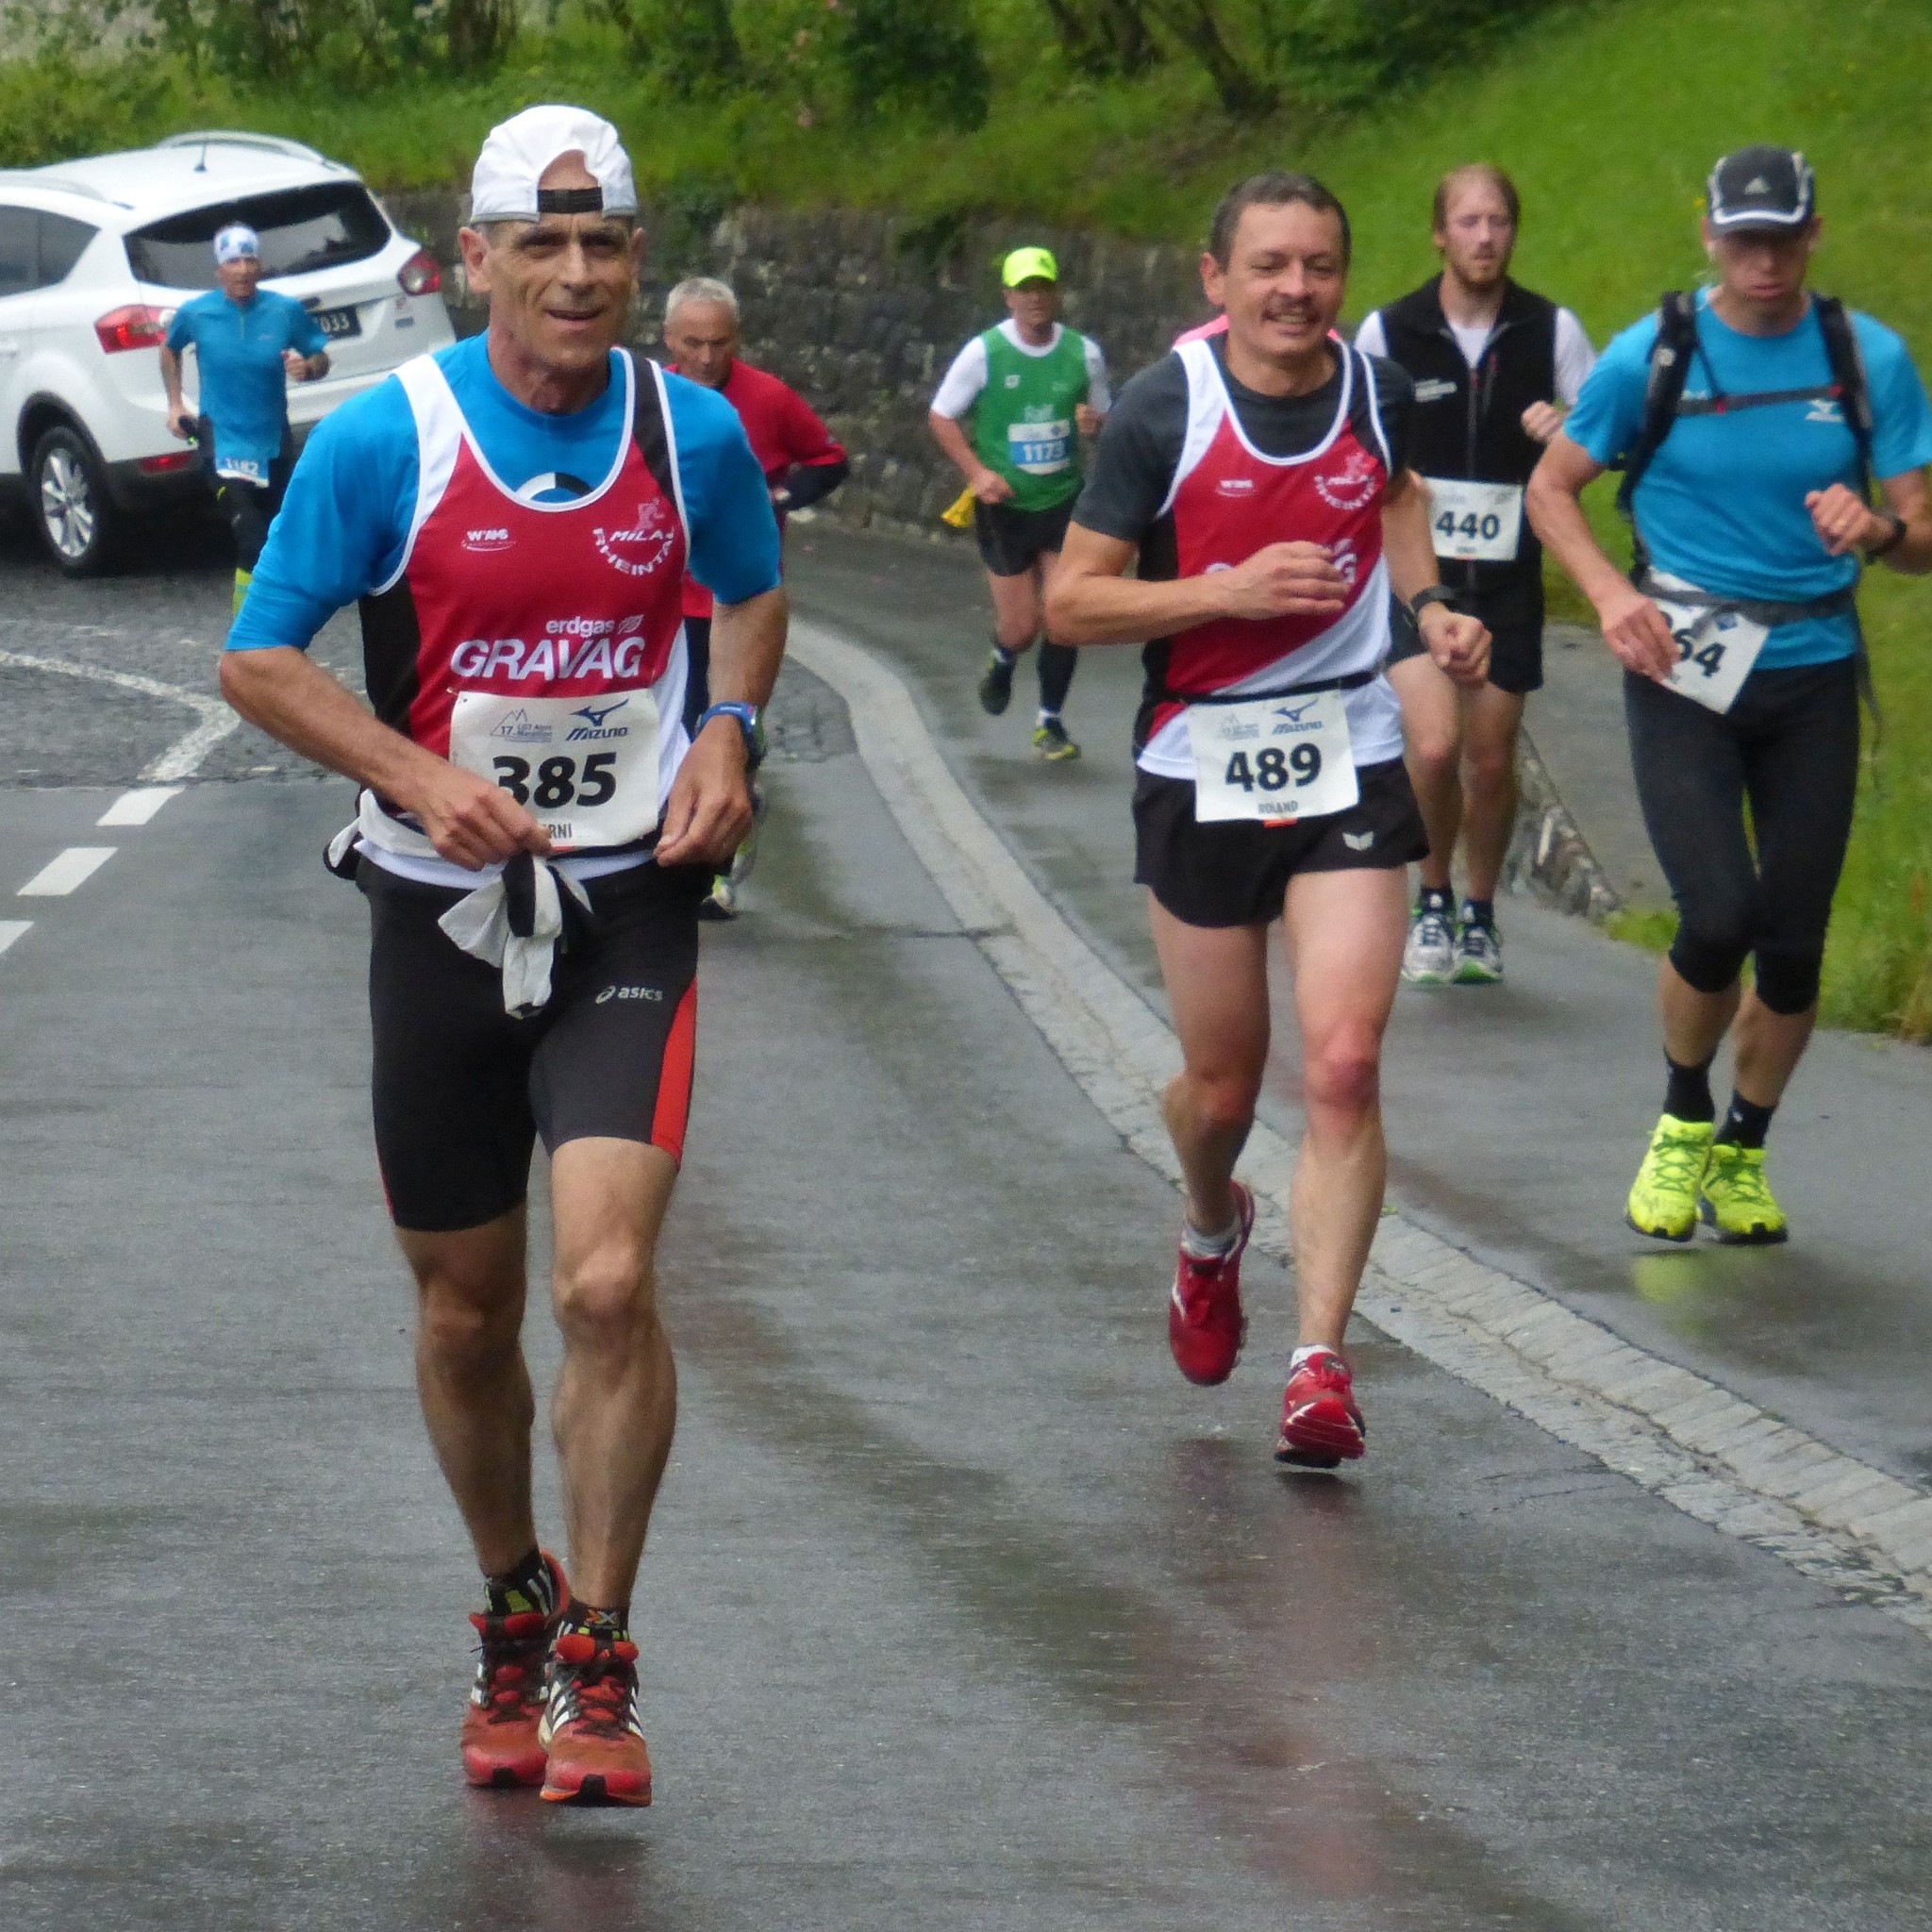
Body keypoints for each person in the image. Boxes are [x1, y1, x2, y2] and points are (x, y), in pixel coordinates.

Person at [219, 107, 787, 1805]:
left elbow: (751, 588)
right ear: (474, 260)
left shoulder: (690, 438)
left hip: (626, 900)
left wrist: (730, 731)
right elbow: (260, 660)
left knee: (605, 1280)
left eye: (603, 241)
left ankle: (599, 1663)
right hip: (438, 916)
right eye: (538, 245)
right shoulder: (386, 440)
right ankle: (512, 1599)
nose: (577, 273)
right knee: (466, 1311)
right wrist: (414, 771)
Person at [1048, 173, 1490, 1465]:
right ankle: (1207, 1227)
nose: (1296, 289)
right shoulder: (1161, 410)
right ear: (1217, 279)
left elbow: (1398, 498)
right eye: (1270, 267)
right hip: (1199, 760)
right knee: (1225, 1089)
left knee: (1343, 1063)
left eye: (1318, 266)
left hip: (1345, 748)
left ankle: (1320, 1366)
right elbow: (1075, 602)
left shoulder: (1372, 386)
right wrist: (1224, 591)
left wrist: (1431, 612)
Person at [1527, 146, 1932, 1244]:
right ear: (1708, 234)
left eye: (1783, 236)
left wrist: (1881, 530)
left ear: (1812, 234)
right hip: (1681, 663)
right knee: (1717, 914)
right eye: (1743, 237)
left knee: (1792, 943)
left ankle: (1742, 1150)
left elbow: (1921, 533)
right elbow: (1551, 486)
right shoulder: (1651, 353)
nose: (1763, 257)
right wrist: (1610, 595)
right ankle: (1680, 1113)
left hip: (1808, 673)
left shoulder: (1862, 357)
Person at [1357, 165, 1595, 984]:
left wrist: (1564, 428)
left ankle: (1482, 913)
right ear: (1440, 234)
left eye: (1498, 222)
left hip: (1506, 577)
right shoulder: (1390, 332)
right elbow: (1354, 440)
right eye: (1468, 222)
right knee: (1434, 746)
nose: (1484, 237)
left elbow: (1605, 436)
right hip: (1417, 576)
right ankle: (1432, 899)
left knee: (1489, 760)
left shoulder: (1550, 329)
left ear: (1513, 234)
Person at [662, 274, 848, 918]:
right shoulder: (644, 403)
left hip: (739, 602)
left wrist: (780, 498)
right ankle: (688, 843)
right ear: (669, 341)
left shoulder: (767, 398)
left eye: (719, 342)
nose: (708, 357)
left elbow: (829, 460)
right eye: (693, 343)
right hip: (665, 602)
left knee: (717, 726)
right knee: (675, 730)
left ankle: (714, 869)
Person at [929, 246, 1109, 761]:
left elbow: (1108, 419)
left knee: (1066, 616)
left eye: (1042, 288)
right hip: (1005, 508)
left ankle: (1049, 722)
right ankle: (1003, 659)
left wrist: (1097, 426)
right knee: (1022, 625)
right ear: (1008, 296)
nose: (1034, 298)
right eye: (1024, 289)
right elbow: (942, 416)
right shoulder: (984, 353)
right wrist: (977, 473)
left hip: (1062, 502)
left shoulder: (1084, 353)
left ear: (1056, 293)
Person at [159, 224, 329, 607]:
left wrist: (310, 367)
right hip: (221, 444)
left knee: (276, 540)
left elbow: (320, 356)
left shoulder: (283, 311)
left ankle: (275, 629)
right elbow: (169, 349)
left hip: (273, 445)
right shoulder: (197, 313)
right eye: (233, 262)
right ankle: (246, 635)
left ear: (260, 265)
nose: (243, 270)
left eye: (250, 259)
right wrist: (175, 403)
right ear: (219, 270)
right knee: (250, 536)